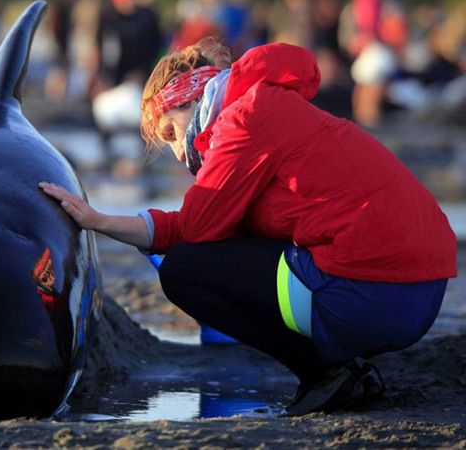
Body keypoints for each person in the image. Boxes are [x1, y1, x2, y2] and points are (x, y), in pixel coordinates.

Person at [39, 38, 456, 416]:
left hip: (376, 296)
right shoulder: (263, 103)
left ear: (190, 100)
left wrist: (108, 223)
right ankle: (345, 369)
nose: (174, 150)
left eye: (169, 132)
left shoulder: (243, 118)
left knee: (183, 272)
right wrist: (98, 221)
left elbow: (196, 230)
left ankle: (326, 375)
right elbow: (198, 225)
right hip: (421, 289)